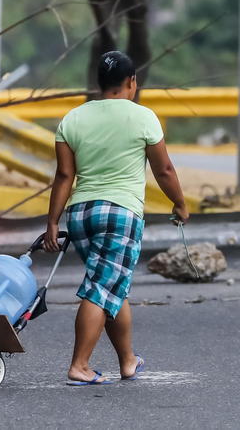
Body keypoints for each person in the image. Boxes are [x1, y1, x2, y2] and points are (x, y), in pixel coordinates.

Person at [43, 50, 188, 385]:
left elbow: (65, 176)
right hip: (120, 212)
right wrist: (180, 203)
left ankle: (127, 360)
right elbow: (163, 169)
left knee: (111, 286)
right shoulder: (143, 117)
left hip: (81, 214)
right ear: (131, 81)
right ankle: (79, 364)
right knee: (101, 287)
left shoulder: (73, 119)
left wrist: (52, 221)